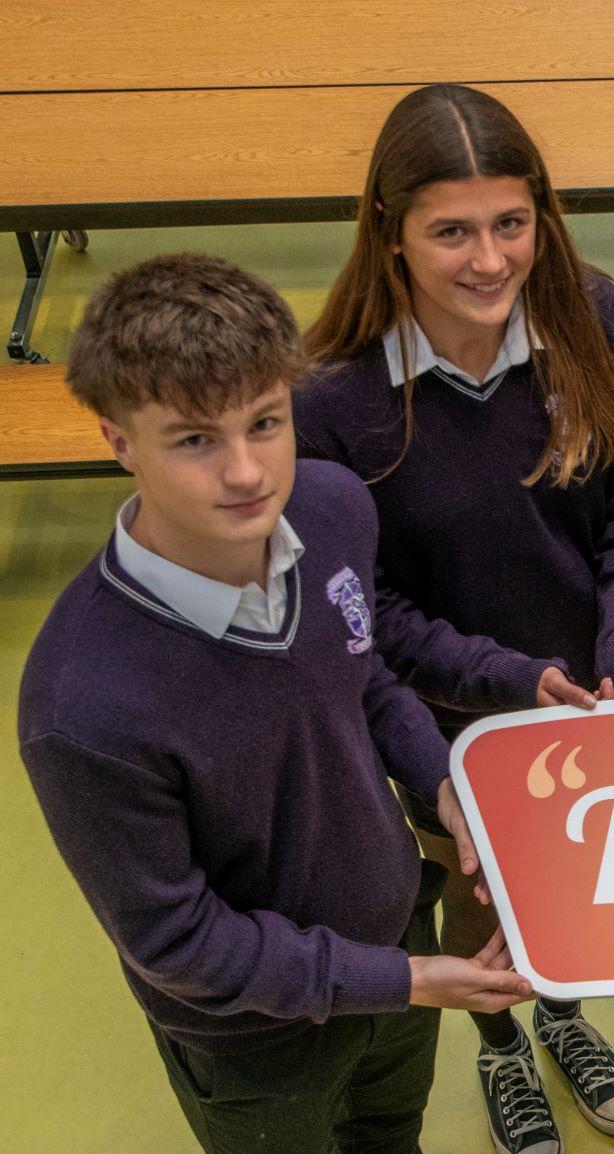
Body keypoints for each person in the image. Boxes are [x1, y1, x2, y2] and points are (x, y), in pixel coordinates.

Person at [17, 254, 535, 1154]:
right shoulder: (82, 708)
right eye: (195, 440)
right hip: (257, 1043)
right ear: (116, 441)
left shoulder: (332, 509)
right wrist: (405, 980)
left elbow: (361, 672)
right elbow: (179, 942)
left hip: (391, 933)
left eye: (266, 421)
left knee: (389, 1135)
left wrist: (445, 782)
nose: (249, 471)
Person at [297, 84, 614, 1150]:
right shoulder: (333, 398)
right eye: (450, 232)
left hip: (592, 698)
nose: (490, 260)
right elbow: (362, 612)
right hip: (448, 723)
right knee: (478, 898)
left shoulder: (591, 315)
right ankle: (502, 1037)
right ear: (389, 235)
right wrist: (512, 676)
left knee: (578, 880)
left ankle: (558, 1006)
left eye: (512, 223)